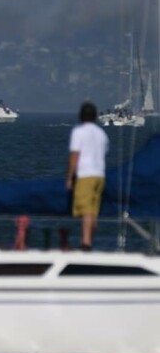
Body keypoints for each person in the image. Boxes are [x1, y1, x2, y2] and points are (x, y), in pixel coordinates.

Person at [67, 100, 108, 251]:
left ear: (81, 116)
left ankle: (86, 243)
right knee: (93, 210)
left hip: (86, 174)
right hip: (100, 175)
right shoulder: (101, 134)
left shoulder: (79, 132)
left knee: (86, 210)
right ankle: (90, 239)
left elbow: (75, 155)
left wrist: (70, 177)